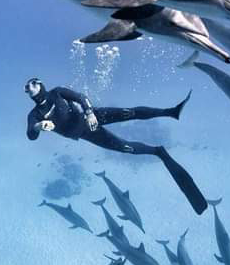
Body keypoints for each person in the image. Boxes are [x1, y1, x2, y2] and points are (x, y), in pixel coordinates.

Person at [24, 78, 208, 214]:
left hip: (92, 117)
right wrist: (39, 127)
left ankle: (171, 112)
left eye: (31, 84)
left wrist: (89, 112)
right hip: (87, 133)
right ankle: (158, 152)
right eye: (26, 88)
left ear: (40, 84)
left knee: (129, 113)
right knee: (125, 147)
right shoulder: (35, 115)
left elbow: (81, 97)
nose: (28, 88)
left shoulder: (56, 92)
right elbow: (31, 134)